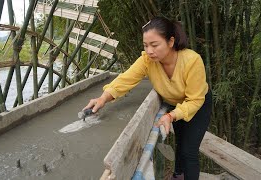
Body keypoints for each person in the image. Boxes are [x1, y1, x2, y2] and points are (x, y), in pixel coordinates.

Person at [83, 16, 212, 180]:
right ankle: (179, 174)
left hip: (198, 104)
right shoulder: (147, 61)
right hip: (174, 104)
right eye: (145, 45)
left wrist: (171, 115)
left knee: (190, 150)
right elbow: (125, 80)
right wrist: (102, 99)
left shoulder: (192, 60)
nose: (149, 50)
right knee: (180, 142)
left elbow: (195, 100)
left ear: (170, 42)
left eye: (154, 45)